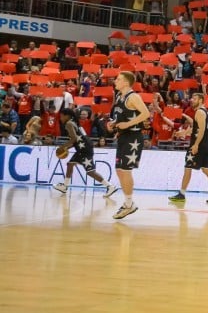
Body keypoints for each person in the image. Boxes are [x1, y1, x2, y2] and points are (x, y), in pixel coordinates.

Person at [107, 71, 150, 219]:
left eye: (118, 79)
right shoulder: (120, 97)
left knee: (125, 170)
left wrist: (127, 124)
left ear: (126, 82)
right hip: (123, 136)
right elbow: (121, 117)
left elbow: (146, 114)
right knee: (119, 170)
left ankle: (129, 203)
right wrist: (114, 124)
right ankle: (128, 202)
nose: (115, 81)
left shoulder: (133, 97)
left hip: (133, 137)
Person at [52, 107, 119, 197]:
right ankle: (65, 186)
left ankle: (110, 186)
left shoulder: (69, 124)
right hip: (85, 147)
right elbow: (77, 140)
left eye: (61, 116)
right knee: (70, 164)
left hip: (84, 149)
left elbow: (74, 138)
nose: (60, 118)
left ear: (67, 116)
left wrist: (63, 147)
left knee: (90, 172)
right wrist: (67, 148)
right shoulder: (75, 122)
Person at [168, 93, 208, 204]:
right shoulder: (205, 112)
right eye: (192, 98)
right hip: (206, 145)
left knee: (188, 167)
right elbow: (196, 127)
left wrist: (196, 144)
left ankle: (181, 194)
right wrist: (184, 132)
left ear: (201, 100)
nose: (192, 100)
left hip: (199, 145)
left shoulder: (200, 112)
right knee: (206, 169)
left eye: (195, 98)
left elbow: (201, 130)